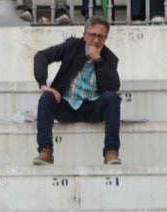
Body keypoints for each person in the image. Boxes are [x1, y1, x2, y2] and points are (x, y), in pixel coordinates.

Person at [31, 16, 121, 167]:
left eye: (101, 36)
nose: (96, 40)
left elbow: (113, 87)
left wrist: (98, 61)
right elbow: (42, 56)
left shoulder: (109, 58)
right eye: (92, 35)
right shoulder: (72, 46)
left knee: (112, 98)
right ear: (84, 35)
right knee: (47, 98)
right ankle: (46, 151)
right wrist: (42, 83)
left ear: (105, 38)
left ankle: (111, 152)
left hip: (93, 107)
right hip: (67, 105)